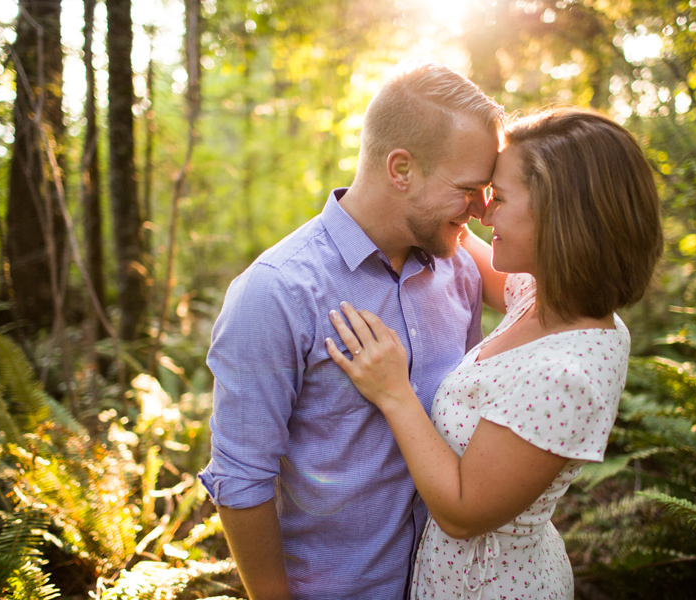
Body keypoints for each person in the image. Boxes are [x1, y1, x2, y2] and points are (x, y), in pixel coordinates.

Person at [326, 107, 664, 599]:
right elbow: (461, 241)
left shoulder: (563, 373)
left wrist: (394, 392)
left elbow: (463, 512)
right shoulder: (550, 296)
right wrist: (424, 199)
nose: (482, 212)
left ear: (560, 216)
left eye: (498, 199)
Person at [197, 61, 504, 599]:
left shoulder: (459, 270)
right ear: (401, 169)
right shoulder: (276, 293)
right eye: (470, 188)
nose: (483, 210)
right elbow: (241, 481)